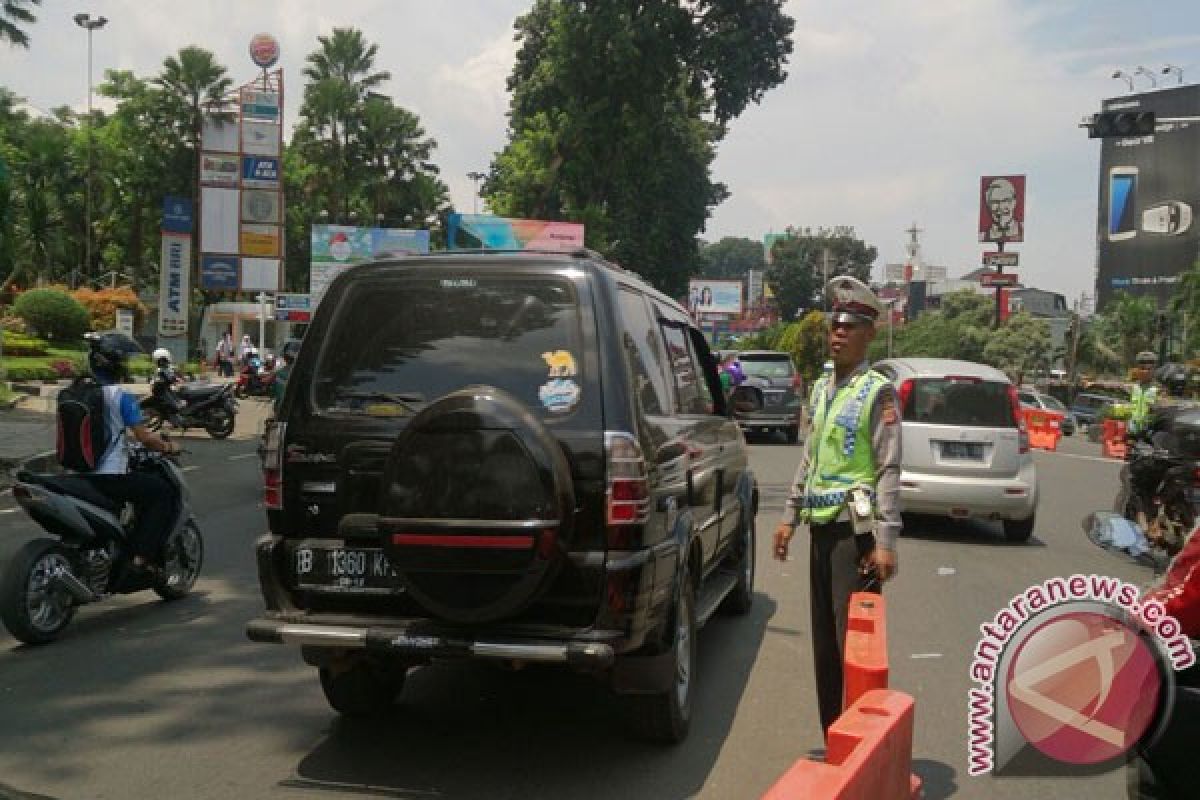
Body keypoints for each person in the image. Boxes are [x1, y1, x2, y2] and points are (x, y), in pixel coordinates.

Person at [772, 276, 902, 735]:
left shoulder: (877, 391)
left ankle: (859, 738)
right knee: (825, 642)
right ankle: (833, 734)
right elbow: (810, 457)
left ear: (869, 334)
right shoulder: (823, 387)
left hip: (856, 533)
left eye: (850, 326)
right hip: (821, 529)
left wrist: (884, 542)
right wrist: (789, 517)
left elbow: (888, 469)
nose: (838, 333)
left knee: (854, 645)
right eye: (835, 325)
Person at [79, 333, 182, 582]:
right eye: (123, 360)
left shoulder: (75, 391)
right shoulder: (121, 397)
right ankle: (140, 559)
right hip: (110, 475)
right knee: (162, 494)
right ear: (113, 364)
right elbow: (145, 437)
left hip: (77, 471)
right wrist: (167, 447)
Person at [981, 177, 1022, 243]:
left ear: (1014, 202)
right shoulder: (982, 237)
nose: (1001, 207)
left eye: (1006, 200)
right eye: (995, 202)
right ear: (988, 205)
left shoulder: (1024, 230)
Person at [1129, 351, 1160, 437]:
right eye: (1142, 368)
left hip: (1150, 434)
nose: (1145, 372)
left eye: (1149, 369)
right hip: (1132, 432)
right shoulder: (1134, 387)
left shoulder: (1159, 389)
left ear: (1154, 370)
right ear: (1137, 369)